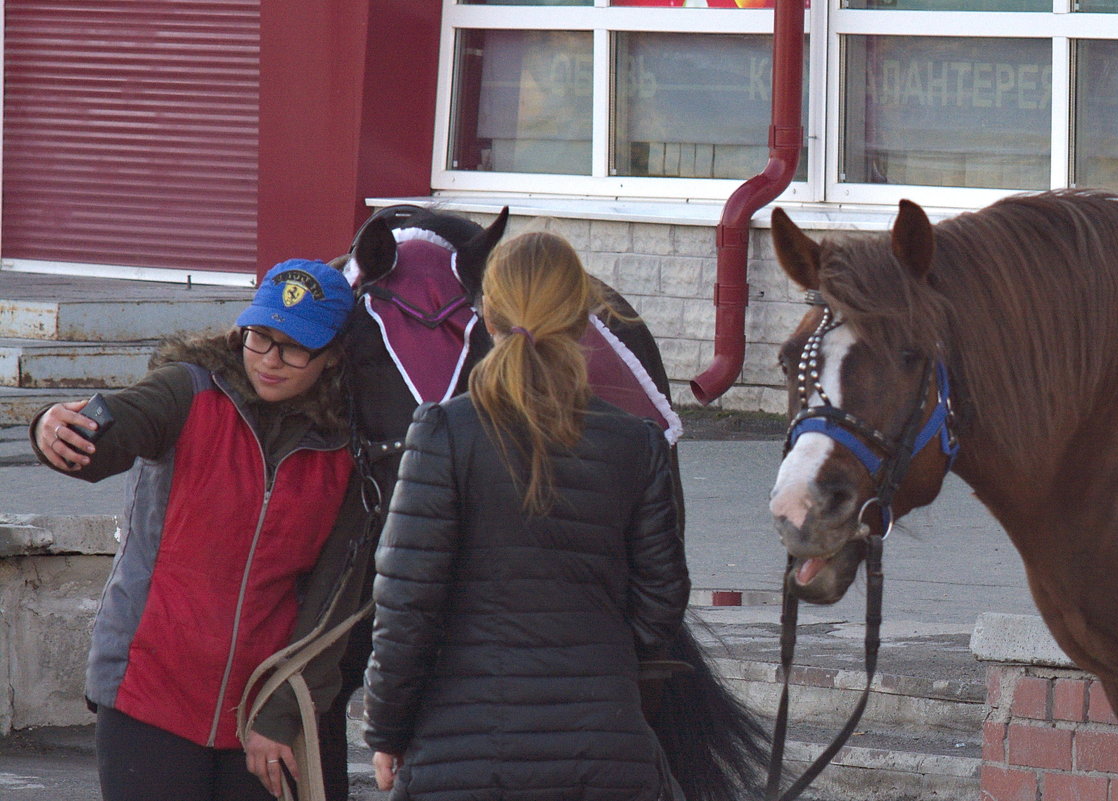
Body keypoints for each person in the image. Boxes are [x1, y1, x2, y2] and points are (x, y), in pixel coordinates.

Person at [363, 230, 691, 801]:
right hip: (608, 753)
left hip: (457, 758)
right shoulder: (636, 443)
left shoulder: (443, 433)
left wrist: (386, 731)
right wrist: (597, 660)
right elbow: (662, 598)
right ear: (582, 316)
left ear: (485, 313)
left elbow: (406, 605)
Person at [30, 260, 372, 801]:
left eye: (296, 347)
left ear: (332, 356)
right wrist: (53, 426)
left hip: (260, 714)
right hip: (146, 692)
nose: (271, 361)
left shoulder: (346, 450)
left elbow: (333, 598)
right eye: (260, 337)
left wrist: (281, 715)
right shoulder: (186, 391)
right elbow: (108, 433)